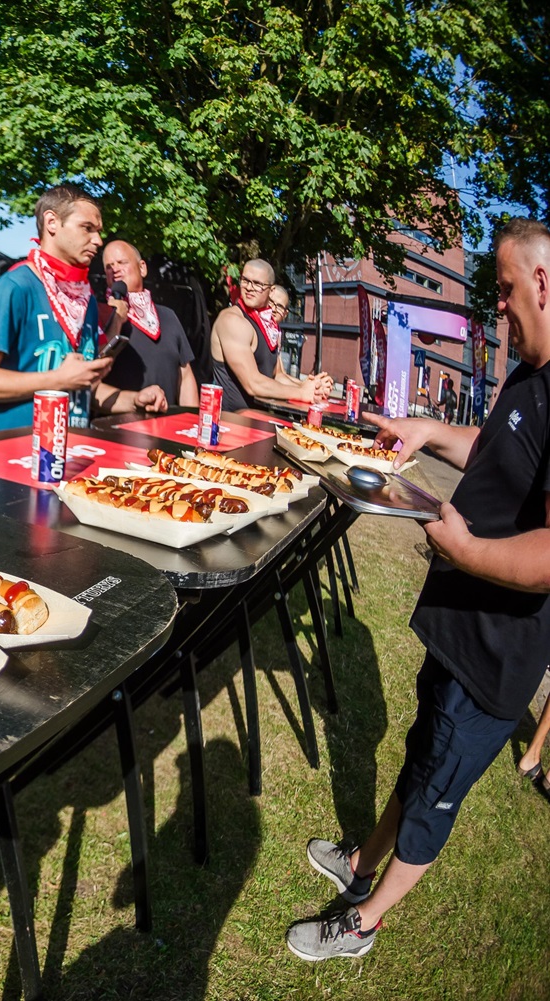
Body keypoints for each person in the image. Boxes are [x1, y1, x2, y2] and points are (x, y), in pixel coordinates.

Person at [286, 217, 550, 961]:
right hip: (462, 623)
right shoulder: (530, 372)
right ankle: (361, 860)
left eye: (503, 289)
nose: (497, 306)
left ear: (542, 281)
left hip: (501, 649)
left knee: (438, 793)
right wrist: (429, 430)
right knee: (419, 752)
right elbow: (497, 451)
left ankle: (364, 921)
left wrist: (465, 549)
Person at [0, 184, 147, 430]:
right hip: (18, 457)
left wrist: (135, 400)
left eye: (98, 231)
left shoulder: (86, 299)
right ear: (52, 222)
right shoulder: (16, 286)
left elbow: (83, 386)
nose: (98, 240)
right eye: (87, 228)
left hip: (75, 454)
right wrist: (57, 379)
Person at [210, 260, 329, 409]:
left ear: (271, 290)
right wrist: (301, 392)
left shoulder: (267, 326)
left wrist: (310, 386)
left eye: (258, 284)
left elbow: (277, 376)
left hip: (258, 422)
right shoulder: (232, 320)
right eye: (245, 280)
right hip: (231, 424)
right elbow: (252, 383)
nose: (249, 288)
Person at [99, 240, 197, 411]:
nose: (115, 270)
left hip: (166, 425)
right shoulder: (99, 314)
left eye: (122, 262)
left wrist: (192, 420)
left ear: (142, 268)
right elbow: (94, 370)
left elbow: (185, 374)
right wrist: (115, 318)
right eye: (109, 266)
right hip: (118, 427)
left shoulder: (168, 316)